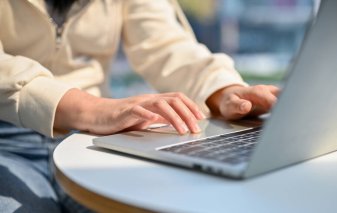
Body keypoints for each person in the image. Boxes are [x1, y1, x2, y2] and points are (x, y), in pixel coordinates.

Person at [0, 0, 279, 212]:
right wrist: (93, 108)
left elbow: (164, 44)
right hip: (7, 139)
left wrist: (224, 91)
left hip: (90, 140)